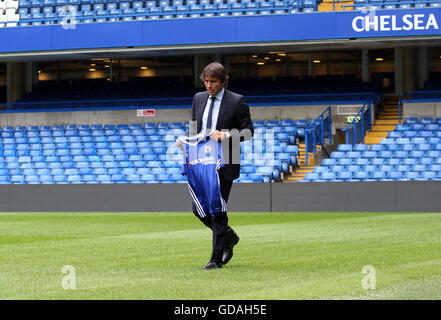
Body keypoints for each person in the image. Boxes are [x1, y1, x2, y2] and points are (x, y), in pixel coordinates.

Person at [176, 62, 254, 270]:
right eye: (206, 81)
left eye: (213, 82)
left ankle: (215, 259)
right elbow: (194, 128)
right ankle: (229, 236)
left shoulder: (237, 101)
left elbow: (248, 132)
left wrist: (225, 135)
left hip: (226, 160)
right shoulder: (198, 98)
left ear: (223, 81)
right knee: (198, 209)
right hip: (201, 161)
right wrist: (186, 142)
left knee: (217, 209)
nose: (209, 85)